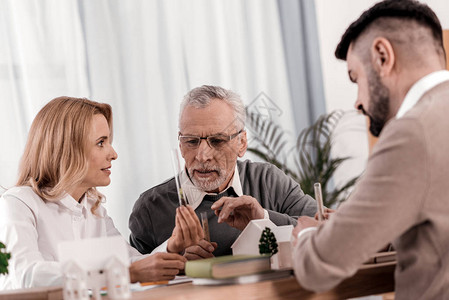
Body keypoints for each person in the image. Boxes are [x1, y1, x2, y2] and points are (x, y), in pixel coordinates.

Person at [291, 1, 449, 299]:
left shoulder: (412, 133)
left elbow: (318, 267)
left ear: (382, 56)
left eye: (356, 79)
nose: (357, 101)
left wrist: (309, 233)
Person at [0, 97, 201, 290]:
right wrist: (126, 272)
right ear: (67, 149)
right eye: (101, 142)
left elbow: (131, 262)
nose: (113, 154)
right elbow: (27, 275)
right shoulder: (19, 203)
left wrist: (172, 247)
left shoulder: (94, 209)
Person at [129, 85, 317, 259]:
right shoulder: (150, 209)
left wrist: (263, 219)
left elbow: (323, 234)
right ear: (180, 143)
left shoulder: (269, 181)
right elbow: (134, 277)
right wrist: (172, 261)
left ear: (241, 143)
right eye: (192, 141)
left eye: (217, 141)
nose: (202, 156)